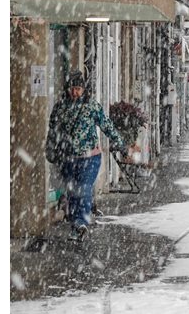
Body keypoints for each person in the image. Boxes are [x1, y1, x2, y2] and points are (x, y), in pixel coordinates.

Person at [45, 70, 139, 241]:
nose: (75, 92)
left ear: (84, 89)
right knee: (73, 192)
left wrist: (122, 146)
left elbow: (107, 126)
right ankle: (75, 225)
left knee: (84, 188)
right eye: (73, 88)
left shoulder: (91, 106)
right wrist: (50, 150)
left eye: (79, 88)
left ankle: (81, 222)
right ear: (68, 88)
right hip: (68, 158)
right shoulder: (60, 107)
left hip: (90, 157)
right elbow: (53, 130)